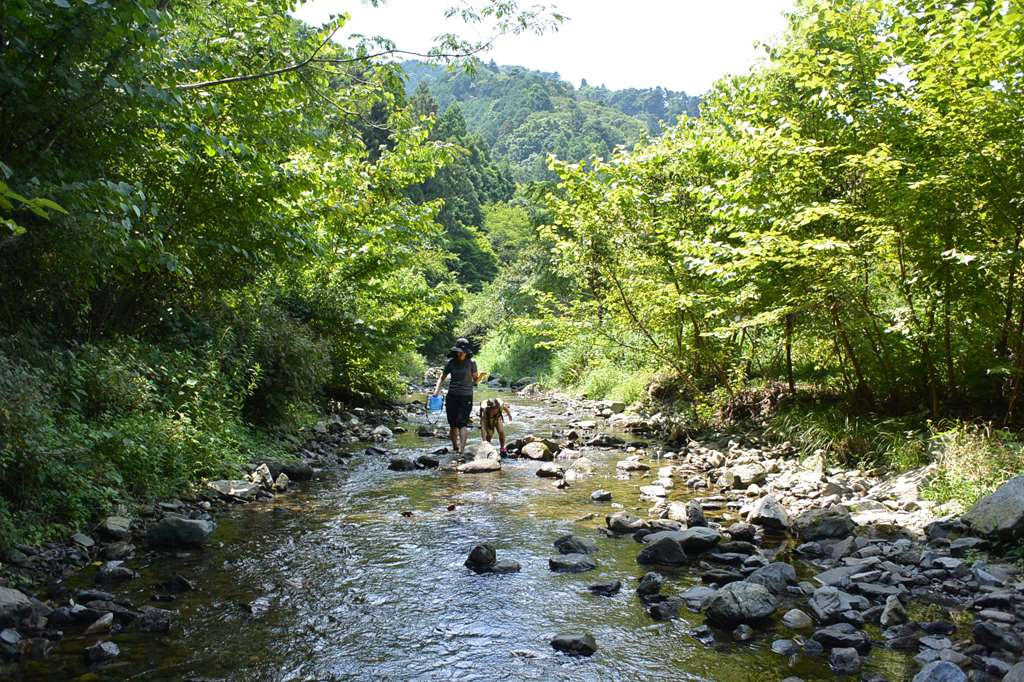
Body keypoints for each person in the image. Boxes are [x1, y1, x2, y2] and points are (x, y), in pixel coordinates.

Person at [433, 338, 480, 455]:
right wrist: (436, 391)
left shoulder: (472, 363)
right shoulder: (451, 363)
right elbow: (442, 378)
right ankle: (455, 447)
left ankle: (461, 450)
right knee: (452, 424)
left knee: (462, 423)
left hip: (466, 396)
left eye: (463, 351)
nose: (461, 353)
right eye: (459, 351)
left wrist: (480, 377)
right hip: (452, 396)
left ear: (467, 352)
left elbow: (476, 380)